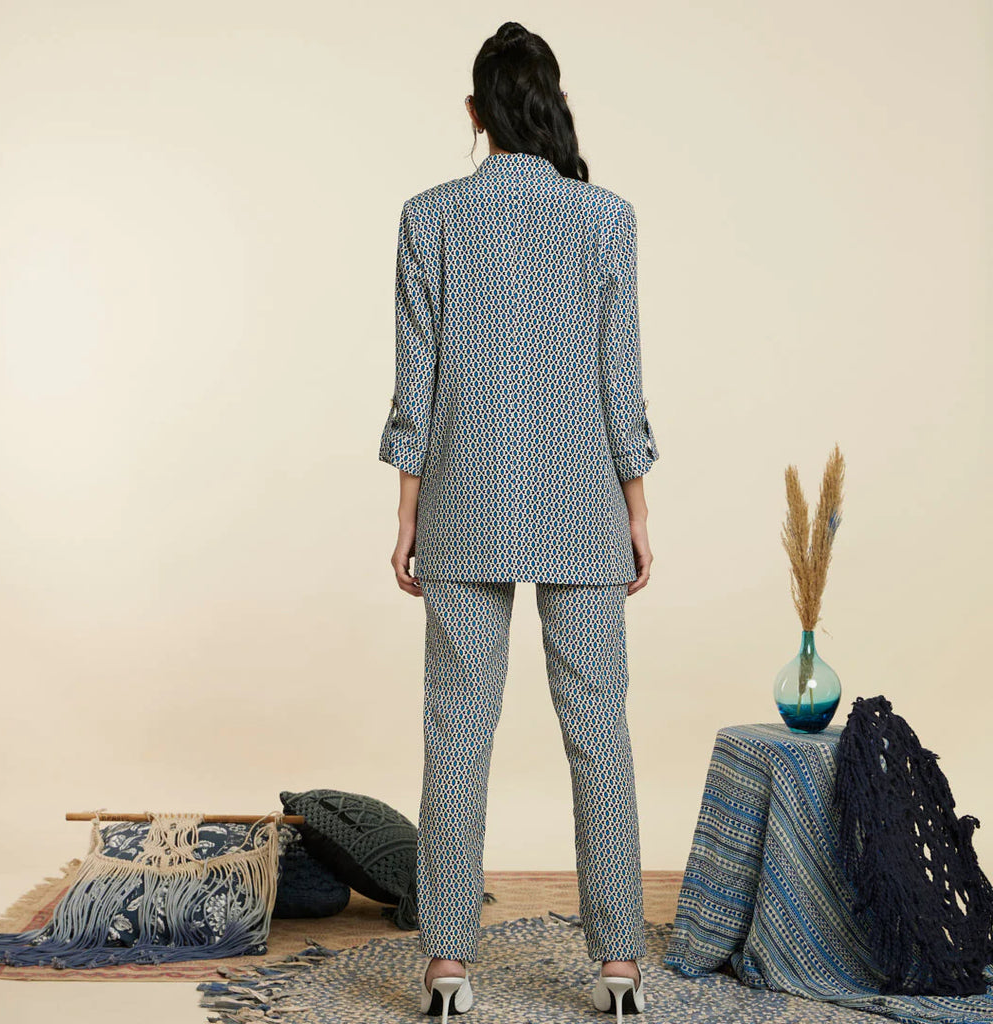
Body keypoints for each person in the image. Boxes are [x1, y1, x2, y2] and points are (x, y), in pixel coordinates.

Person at [378, 21, 660, 1021]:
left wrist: (406, 513)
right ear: (551, 105)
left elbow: (416, 381)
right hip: (583, 501)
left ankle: (448, 966)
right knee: (599, 731)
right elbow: (619, 379)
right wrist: (636, 506)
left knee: (456, 730)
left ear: (475, 112)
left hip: (463, 499)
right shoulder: (606, 218)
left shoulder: (428, 217)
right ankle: (618, 967)